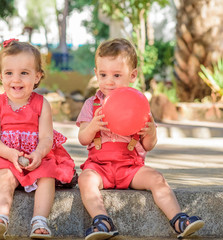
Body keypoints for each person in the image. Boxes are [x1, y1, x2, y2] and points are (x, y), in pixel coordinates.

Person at [76, 38, 204, 240]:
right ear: (96, 74)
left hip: (130, 167)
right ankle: (102, 220)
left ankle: (179, 220)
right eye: (103, 74)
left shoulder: (138, 105)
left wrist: (151, 132)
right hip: (99, 167)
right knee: (85, 179)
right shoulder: (91, 104)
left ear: (132, 75)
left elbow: (148, 145)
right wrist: (92, 126)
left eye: (117, 75)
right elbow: (83, 138)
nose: (109, 81)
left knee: (157, 179)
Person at [0, 38, 76, 239]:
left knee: (47, 175)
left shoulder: (42, 104)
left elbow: (47, 138)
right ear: (0, 76)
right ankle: (1, 217)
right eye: (9, 73)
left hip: (36, 155)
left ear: (37, 76)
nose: (16, 79)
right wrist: (11, 153)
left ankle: (40, 220)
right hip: (4, 155)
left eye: (24, 73)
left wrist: (39, 154)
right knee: (5, 176)